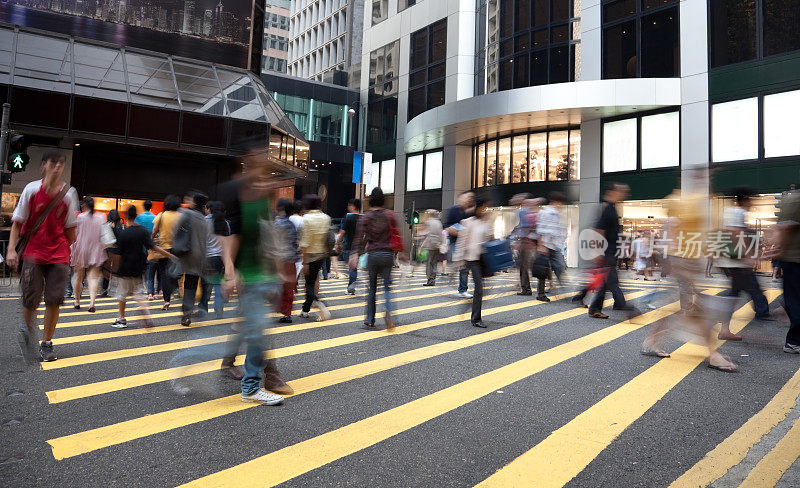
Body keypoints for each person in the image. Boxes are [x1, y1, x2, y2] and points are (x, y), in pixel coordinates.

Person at [218, 144, 292, 403]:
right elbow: (229, 235)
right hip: (245, 275)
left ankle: (239, 369)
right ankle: (252, 385)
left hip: (263, 275)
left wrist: (277, 271)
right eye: (259, 157)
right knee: (258, 329)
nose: (264, 162)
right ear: (246, 160)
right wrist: (230, 271)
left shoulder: (265, 194)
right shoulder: (234, 192)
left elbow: (268, 234)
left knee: (254, 327)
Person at [7, 151, 79, 363]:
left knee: (54, 300)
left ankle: (46, 343)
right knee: (30, 300)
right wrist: (11, 249)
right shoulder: (31, 190)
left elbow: (71, 231)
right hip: (33, 253)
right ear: (43, 166)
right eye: (53, 163)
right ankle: (27, 330)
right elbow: (17, 223)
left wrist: (64, 249)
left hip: (58, 254)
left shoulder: (68, 195)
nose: (57, 167)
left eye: (61, 164)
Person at [717, 187, 773, 340]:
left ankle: (725, 329)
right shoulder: (738, 213)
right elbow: (736, 234)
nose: (752, 203)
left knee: (734, 292)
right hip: (738, 262)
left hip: (730, 261)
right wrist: (748, 256)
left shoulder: (729, 212)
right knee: (750, 289)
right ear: (745, 200)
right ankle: (763, 312)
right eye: (750, 200)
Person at [112, 205, 174, 328]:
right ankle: (145, 313)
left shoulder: (124, 234)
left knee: (122, 294)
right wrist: (169, 254)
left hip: (125, 268)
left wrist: (113, 271)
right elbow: (153, 246)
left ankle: (122, 319)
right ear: (136, 216)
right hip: (139, 267)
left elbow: (117, 254)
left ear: (126, 216)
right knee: (139, 293)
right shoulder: (142, 231)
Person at [351, 187, 401, 330]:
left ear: (371, 199)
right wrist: (399, 254)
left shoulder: (366, 216)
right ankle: (389, 312)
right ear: (383, 199)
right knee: (387, 287)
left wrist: (355, 254)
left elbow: (359, 237)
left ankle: (370, 319)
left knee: (372, 288)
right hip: (387, 255)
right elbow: (396, 234)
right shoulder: (390, 215)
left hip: (373, 254)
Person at [588, 183, 633, 319]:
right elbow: (599, 231)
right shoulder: (608, 209)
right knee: (612, 282)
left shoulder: (612, 208)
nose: (624, 194)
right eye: (621, 191)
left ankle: (595, 308)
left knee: (605, 282)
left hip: (611, 251)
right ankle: (626, 307)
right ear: (611, 192)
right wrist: (597, 252)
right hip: (606, 252)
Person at [453, 195, 493, 328]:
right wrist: (459, 259)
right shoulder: (468, 222)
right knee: (480, 288)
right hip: (472, 258)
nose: (484, 210)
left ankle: (469, 306)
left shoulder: (485, 222)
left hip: (483, 258)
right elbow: (461, 241)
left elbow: (489, 238)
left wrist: (489, 224)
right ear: (477, 207)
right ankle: (476, 319)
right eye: (483, 207)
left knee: (482, 289)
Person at [176, 190, 209, 327]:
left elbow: (177, 230)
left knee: (175, 276)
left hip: (186, 254)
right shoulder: (204, 219)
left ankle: (185, 311)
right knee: (191, 285)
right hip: (199, 256)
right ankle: (187, 313)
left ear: (194, 202)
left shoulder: (187, 214)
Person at [298, 194, 332, 321]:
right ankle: (305, 310)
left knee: (309, 284)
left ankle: (321, 306)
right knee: (311, 282)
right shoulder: (325, 218)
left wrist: (305, 262)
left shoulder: (306, 219)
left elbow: (304, 242)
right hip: (321, 254)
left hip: (310, 255)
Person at [70, 196, 106, 312]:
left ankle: (77, 301)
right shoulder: (100, 217)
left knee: (78, 277)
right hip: (96, 250)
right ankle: (91, 303)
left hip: (81, 248)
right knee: (93, 278)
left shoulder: (80, 217)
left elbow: (74, 234)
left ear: (85, 205)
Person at [775, 187, 800, 354]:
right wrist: (776, 257)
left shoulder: (793, 199)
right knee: (795, 300)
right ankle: (793, 341)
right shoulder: (795, 199)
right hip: (793, 260)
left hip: (792, 259)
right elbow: (784, 228)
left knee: (794, 299)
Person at [199, 201, 230, 319]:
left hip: (206, 257)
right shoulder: (225, 223)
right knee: (218, 284)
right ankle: (218, 308)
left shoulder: (204, 222)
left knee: (205, 284)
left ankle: (203, 309)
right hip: (220, 258)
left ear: (209, 209)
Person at [535, 192, 568, 302]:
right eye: (561, 203)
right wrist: (541, 245)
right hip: (546, 245)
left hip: (555, 246)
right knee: (543, 270)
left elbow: (558, 231)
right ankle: (541, 294)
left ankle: (564, 288)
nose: (562, 206)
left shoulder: (558, 214)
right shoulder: (545, 213)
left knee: (560, 266)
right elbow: (540, 229)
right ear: (556, 202)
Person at [152, 194, 183, 311]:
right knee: (176, 272)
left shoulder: (161, 215)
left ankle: (166, 301)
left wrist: (152, 239)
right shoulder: (182, 216)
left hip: (164, 249)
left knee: (164, 274)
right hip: (178, 248)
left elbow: (154, 230)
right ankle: (174, 289)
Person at [443, 191, 476, 298]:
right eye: (467, 197)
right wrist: (460, 233)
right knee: (461, 265)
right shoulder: (453, 210)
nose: (468, 199)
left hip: (467, 243)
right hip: (455, 242)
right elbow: (446, 226)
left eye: (471, 198)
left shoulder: (471, 211)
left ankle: (462, 289)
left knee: (464, 266)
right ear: (460, 199)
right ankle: (459, 285)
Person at [275, 198, 300, 323]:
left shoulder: (276, 223)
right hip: (290, 260)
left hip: (277, 260)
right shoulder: (291, 225)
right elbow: (296, 243)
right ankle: (287, 314)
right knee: (288, 288)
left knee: (275, 285)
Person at [510, 193, 534, 295]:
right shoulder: (526, 210)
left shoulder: (522, 211)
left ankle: (526, 289)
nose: (512, 201)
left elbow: (524, 227)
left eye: (515, 200)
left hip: (526, 243)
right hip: (527, 242)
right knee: (523, 266)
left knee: (523, 267)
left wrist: (519, 241)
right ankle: (525, 288)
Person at [135, 200, 160, 300]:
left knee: (142, 269)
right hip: (152, 247)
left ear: (143, 206)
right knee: (151, 268)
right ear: (151, 207)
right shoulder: (155, 217)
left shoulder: (139, 217)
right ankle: (154, 289)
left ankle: (144, 287)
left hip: (141, 247)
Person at [337, 198, 361, 295]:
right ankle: (352, 285)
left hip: (349, 246)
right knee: (353, 267)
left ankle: (351, 287)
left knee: (352, 268)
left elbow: (343, 232)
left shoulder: (348, 218)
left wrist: (337, 243)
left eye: (349, 205)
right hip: (358, 247)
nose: (348, 207)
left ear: (353, 206)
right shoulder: (362, 218)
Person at [421, 209, 443, 286]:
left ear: (430, 215)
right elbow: (441, 234)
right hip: (437, 245)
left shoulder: (429, 222)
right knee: (434, 263)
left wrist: (422, 246)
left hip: (431, 245)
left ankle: (430, 280)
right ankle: (433, 279)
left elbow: (428, 235)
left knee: (429, 263)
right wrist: (440, 244)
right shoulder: (438, 222)